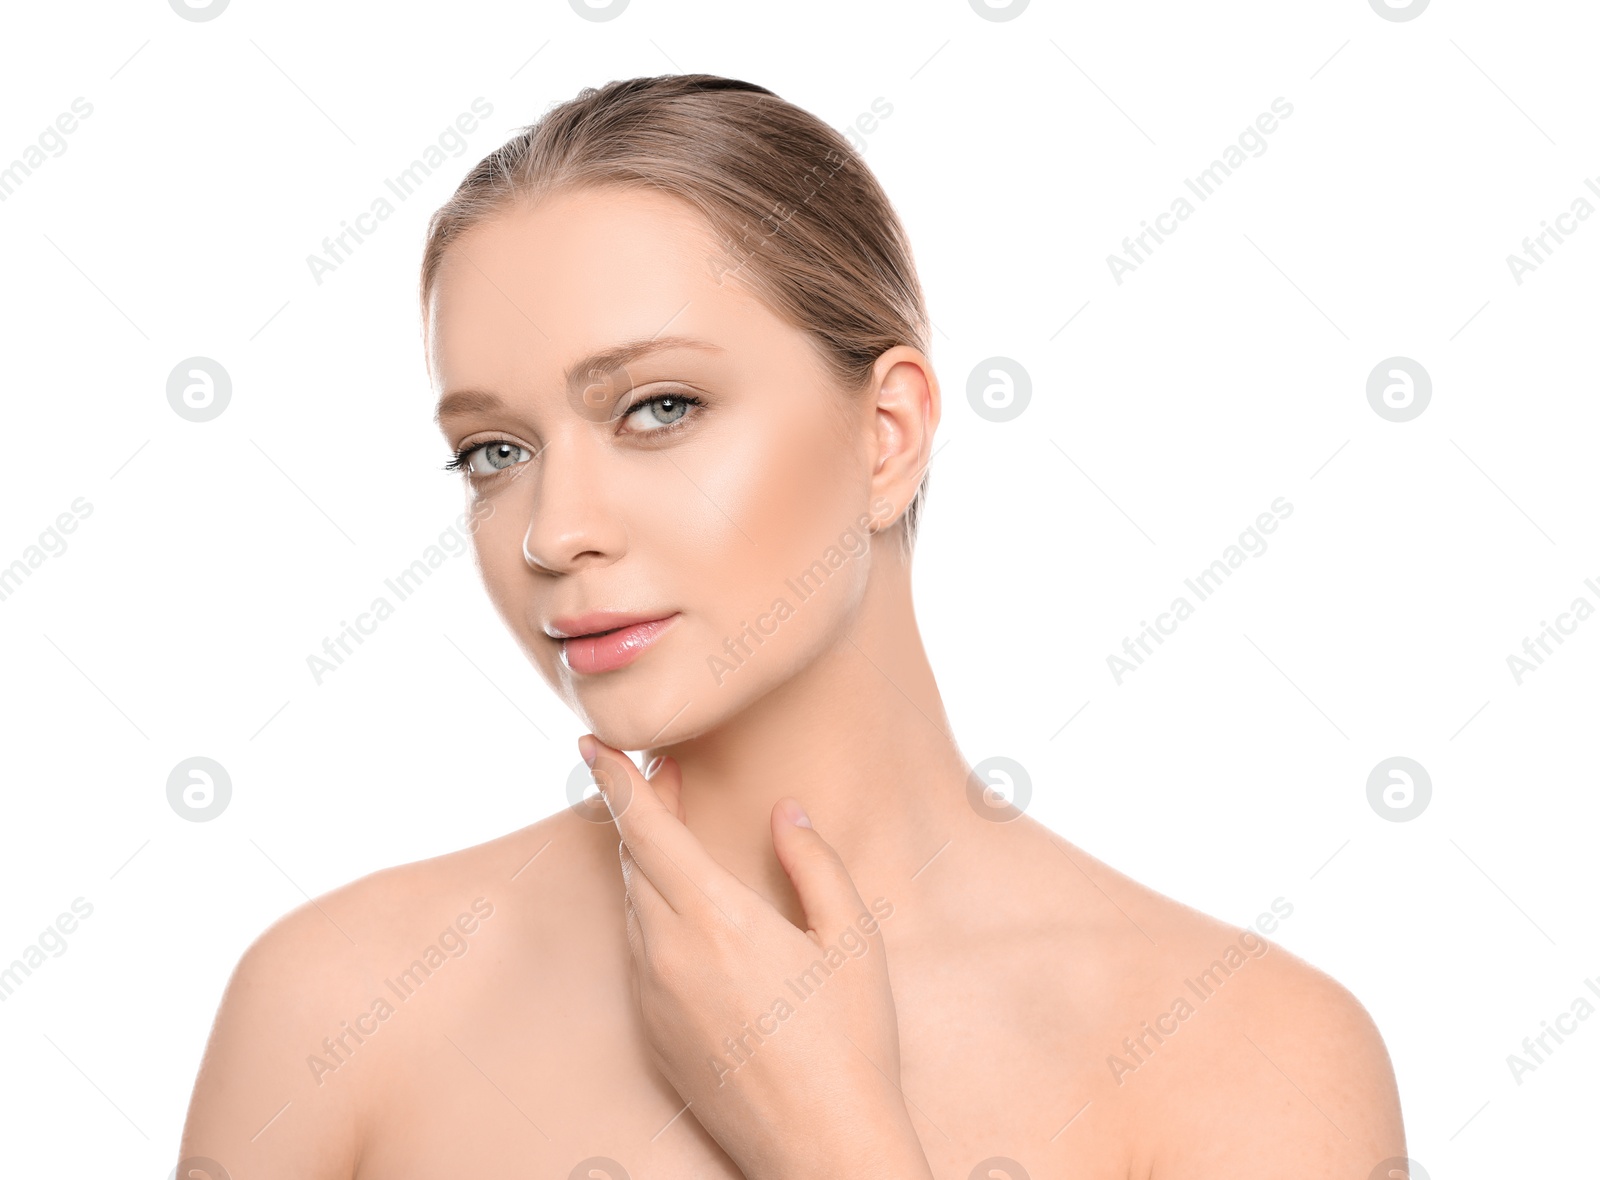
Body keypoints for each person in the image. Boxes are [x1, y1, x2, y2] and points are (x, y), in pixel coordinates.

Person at [179, 74, 1406, 1178]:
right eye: (493, 451)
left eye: (659, 408)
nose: (553, 530)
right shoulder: (336, 1008)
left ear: (888, 435)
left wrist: (830, 1136)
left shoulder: (1247, 1053)